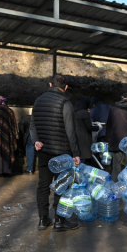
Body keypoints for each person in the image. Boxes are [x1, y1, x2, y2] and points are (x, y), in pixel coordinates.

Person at [30, 75, 81, 232]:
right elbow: (70, 131)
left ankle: (43, 220)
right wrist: (76, 153)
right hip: (62, 153)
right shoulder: (65, 102)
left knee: (43, 186)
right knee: (62, 186)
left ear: (50, 84)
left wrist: (36, 141)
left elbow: (32, 125)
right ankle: (60, 221)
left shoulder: (38, 101)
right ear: (65, 87)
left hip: (44, 151)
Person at [74, 95, 101, 164]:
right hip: (84, 140)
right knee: (86, 161)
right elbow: (89, 127)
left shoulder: (74, 112)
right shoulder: (84, 113)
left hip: (75, 138)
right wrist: (98, 127)